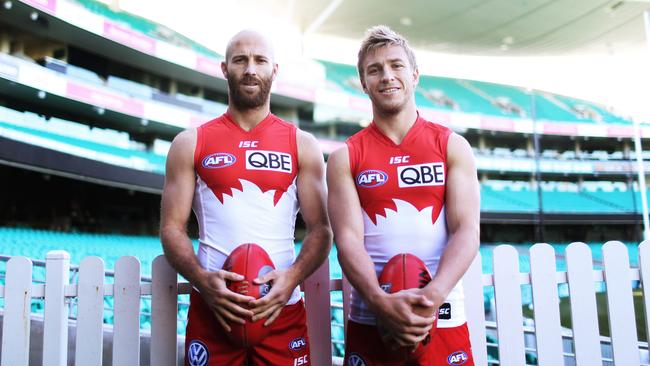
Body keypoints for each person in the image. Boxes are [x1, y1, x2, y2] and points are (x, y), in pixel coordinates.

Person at [160, 29, 332, 365]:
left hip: (282, 309)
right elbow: (171, 228)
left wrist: (292, 278)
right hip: (213, 309)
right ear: (225, 68)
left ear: (274, 70)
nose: (250, 69)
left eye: (259, 60)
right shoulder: (190, 143)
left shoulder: (303, 144)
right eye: (240, 60)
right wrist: (202, 281)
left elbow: (322, 229)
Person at [327, 25, 480, 365]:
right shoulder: (345, 157)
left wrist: (433, 298)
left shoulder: (452, 146)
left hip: (444, 316)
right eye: (374, 70)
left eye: (396, 65)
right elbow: (348, 239)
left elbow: (466, 230)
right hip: (371, 318)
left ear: (414, 74)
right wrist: (380, 303)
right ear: (364, 83)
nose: (387, 76)